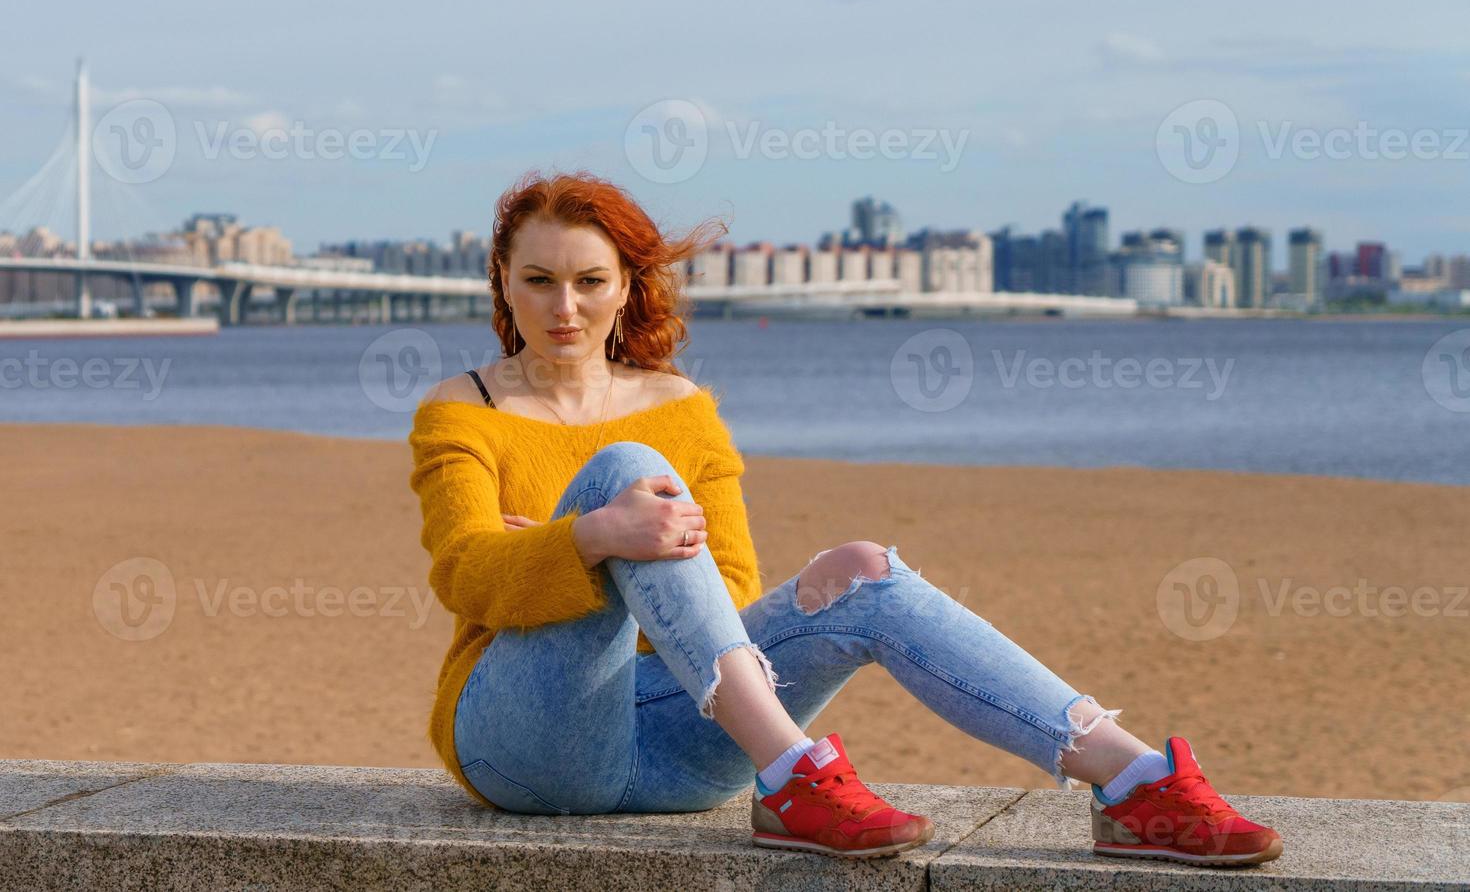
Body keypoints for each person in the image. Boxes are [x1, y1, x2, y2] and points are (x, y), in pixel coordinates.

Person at [407, 170, 1284, 866]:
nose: (566, 309)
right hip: (527, 743)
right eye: (540, 281)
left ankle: (1134, 783)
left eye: (590, 281)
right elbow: (467, 576)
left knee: (862, 567)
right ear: (505, 284)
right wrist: (594, 536)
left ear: (628, 286)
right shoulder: (464, 409)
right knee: (627, 477)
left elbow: (729, 592)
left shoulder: (682, 408)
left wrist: (574, 559)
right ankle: (795, 773)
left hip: (682, 739)